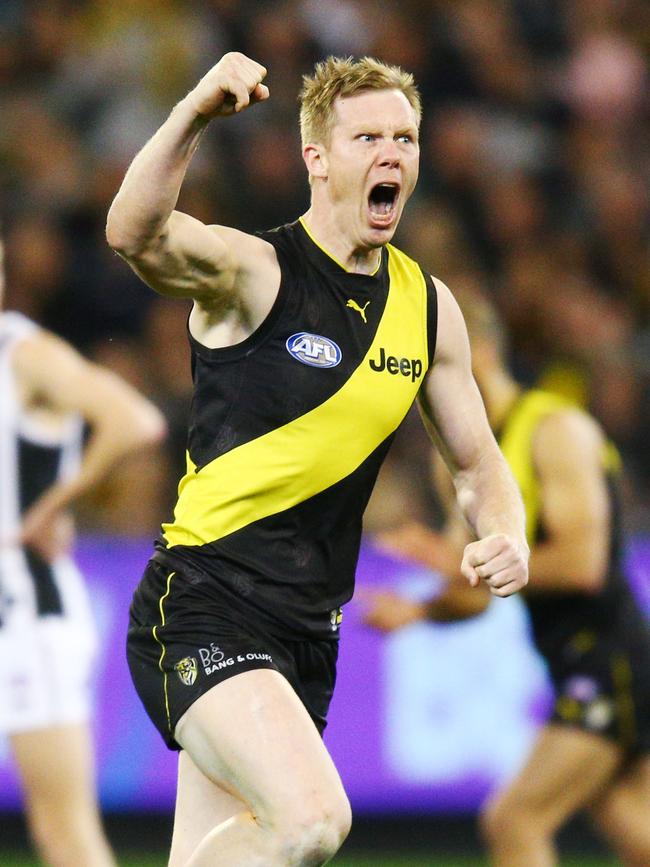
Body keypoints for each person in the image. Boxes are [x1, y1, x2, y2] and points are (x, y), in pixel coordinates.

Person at [106, 52, 529, 867]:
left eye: (405, 138)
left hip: (309, 635)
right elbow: (132, 232)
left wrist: (505, 530)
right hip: (202, 605)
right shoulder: (254, 274)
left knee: (240, 846)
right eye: (366, 136)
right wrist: (194, 110)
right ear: (316, 159)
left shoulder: (429, 309)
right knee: (311, 821)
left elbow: (477, 466)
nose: (391, 155)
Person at [362, 286, 650, 867]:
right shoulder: (463, 464)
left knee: (515, 819)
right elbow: (475, 600)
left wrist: (452, 560)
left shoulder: (554, 430)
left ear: (476, 351)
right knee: (631, 826)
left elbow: (584, 565)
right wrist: (417, 612)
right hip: (575, 661)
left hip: (613, 661)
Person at [0, 233, 166, 867]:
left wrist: (56, 500)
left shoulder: (25, 354)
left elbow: (135, 420)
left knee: (63, 832)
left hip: (27, 612)